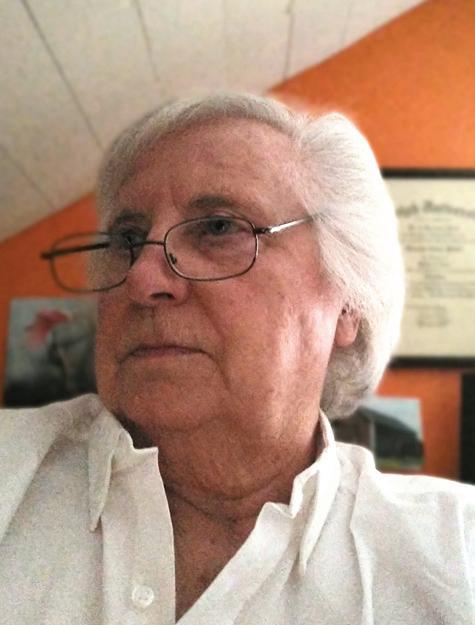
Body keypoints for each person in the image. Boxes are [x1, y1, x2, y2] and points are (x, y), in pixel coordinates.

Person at [0, 93, 473, 625]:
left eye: (219, 227)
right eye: (127, 240)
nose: (141, 278)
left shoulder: (455, 558)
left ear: (347, 304)